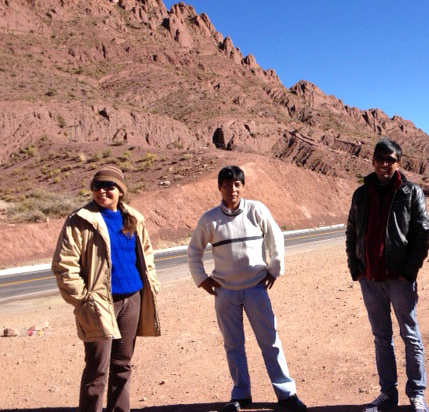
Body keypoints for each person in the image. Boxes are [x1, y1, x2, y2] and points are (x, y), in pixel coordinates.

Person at [187, 165, 306, 412]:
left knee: (270, 341)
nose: (232, 189)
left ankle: (286, 393)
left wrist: (274, 269)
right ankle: (241, 394)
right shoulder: (209, 219)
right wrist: (202, 279)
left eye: (237, 184)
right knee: (233, 345)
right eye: (227, 185)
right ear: (219, 187)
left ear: (242, 186)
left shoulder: (256, 209)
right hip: (225, 292)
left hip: (255, 289)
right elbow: (194, 250)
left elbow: (275, 237)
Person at [51, 165, 161, 412]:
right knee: (97, 368)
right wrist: (84, 298)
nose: (102, 191)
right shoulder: (80, 221)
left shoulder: (133, 218)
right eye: (97, 186)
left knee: (122, 364)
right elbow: (64, 265)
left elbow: (147, 255)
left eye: (109, 187)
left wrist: (152, 284)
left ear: (120, 191)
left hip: (132, 299)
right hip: (99, 303)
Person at [346, 138, 429, 412]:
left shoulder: (410, 192)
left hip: (399, 279)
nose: (385, 164)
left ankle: (417, 394)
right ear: (372, 160)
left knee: (410, 335)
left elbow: (422, 233)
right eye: (380, 159)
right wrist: (355, 268)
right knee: (381, 338)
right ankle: (387, 393)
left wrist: (409, 272)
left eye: (390, 160)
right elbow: (351, 231)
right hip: (370, 278)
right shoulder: (361, 193)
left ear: (399, 163)